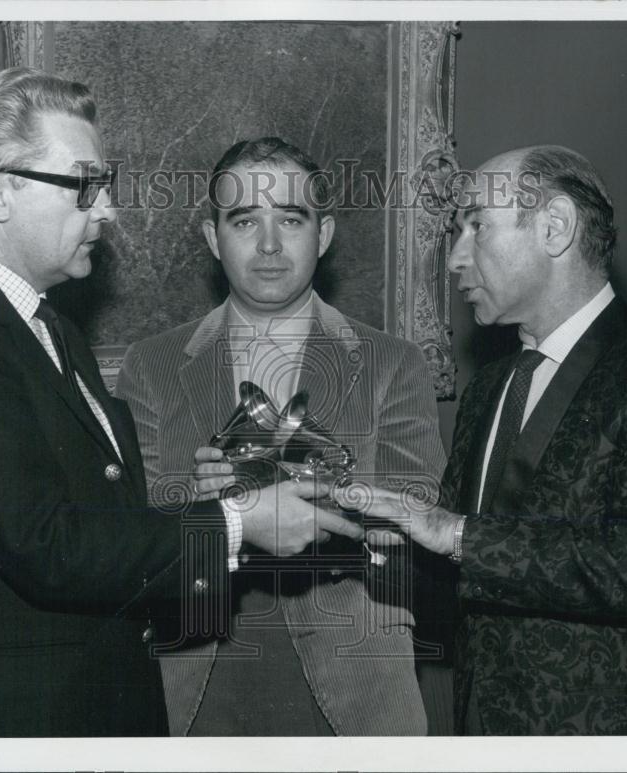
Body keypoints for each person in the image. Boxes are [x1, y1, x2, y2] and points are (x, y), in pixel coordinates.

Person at [0, 71, 359, 737]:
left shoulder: (47, 326)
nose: (106, 211)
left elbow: (105, 520)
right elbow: (51, 547)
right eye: (83, 186)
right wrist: (241, 520)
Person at [336, 145, 627, 734]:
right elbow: (468, 576)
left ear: (554, 228)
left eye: (476, 225)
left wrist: (454, 532)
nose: (454, 258)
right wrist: (367, 532)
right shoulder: (490, 387)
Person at [115, 137, 446, 735]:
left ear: (323, 235)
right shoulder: (153, 363)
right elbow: (126, 537)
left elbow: (419, 537)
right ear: (214, 240)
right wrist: (202, 504)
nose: (269, 244)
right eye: (245, 221)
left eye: (291, 220)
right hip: (199, 671)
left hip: (356, 680)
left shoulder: (393, 361)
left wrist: (314, 492)